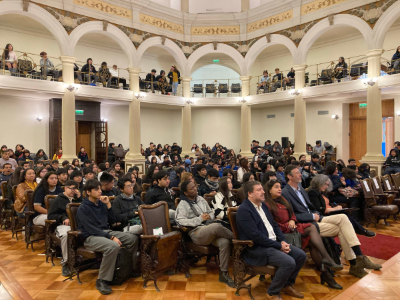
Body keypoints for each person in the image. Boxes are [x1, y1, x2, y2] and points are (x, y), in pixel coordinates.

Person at [281, 165, 382, 278]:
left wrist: (316, 214)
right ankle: (356, 263)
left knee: (343, 218)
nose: (300, 174)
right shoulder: (285, 192)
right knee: (343, 228)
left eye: (299, 172)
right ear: (289, 176)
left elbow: (312, 207)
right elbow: (292, 215)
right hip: (307, 224)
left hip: (317, 218)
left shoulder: (300, 189)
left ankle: (358, 259)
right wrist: (311, 216)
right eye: (296, 173)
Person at [264, 179, 343, 289]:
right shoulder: (267, 204)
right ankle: (327, 261)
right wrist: (288, 225)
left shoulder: (282, 199)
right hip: (283, 233)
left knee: (313, 243)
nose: (279, 189)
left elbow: (292, 213)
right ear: (269, 190)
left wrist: (292, 220)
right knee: (311, 228)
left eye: (280, 187)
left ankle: (327, 274)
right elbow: (272, 224)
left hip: (293, 228)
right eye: (276, 187)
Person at [236, 181, 306, 299]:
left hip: (272, 244)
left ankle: (285, 285)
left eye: (262, 189)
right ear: (250, 194)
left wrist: (282, 241)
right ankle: (272, 292)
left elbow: (274, 225)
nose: (263, 192)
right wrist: (278, 246)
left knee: (301, 255)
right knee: (289, 262)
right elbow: (256, 236)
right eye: (259, 190)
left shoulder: (263, 205)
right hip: (257, 248)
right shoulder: (244, 210)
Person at [76, 179, 139, 295]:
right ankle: (102, 280)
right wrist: (110, 237)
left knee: (132, 238)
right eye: (96, 189)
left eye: (100, 189)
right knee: (112, 246)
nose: (100, 191)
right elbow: (91, 229)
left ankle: (129, 268)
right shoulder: (83, 208)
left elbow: (113, 220)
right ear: (88, 192)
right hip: (90, 237)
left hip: (105, 232)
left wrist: (108, 205)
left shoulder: (101, 204)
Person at [175, 180, 235, 287]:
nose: (195, 189)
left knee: (224, 242)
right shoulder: (183, 204)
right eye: (191, 189)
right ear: (186, 193)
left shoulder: (201, 199)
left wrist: (208, 216)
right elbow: (180, 221)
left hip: (209, 228)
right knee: (217, 226)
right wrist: (199, 219)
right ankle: (236, 240)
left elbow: (211, 212)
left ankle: (223, 274)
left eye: (195, 187)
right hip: (197, 233)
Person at [308, 174, 375, 238]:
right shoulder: (313, 192)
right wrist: (335, 209)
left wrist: (335, 208)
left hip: (330, 211)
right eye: (325, 184)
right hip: (324, 215)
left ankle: (361, 231)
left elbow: (327, 205)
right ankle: (362, 231)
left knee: (345, 214)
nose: (326, 187)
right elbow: (320, 209)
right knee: (344, 216)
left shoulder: (322, 192)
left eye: (327, 184)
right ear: (318, 183)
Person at [47, 180, 82, 276]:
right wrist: (63, 218)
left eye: (75, 189)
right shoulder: (59, 199)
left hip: (78, 224)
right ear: (65, 188)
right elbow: (50, 215)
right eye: (71, 188)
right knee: (67, 235)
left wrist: (79, 198)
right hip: (63, 225)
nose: (73, 191)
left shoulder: (77, 199)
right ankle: (66, 263)